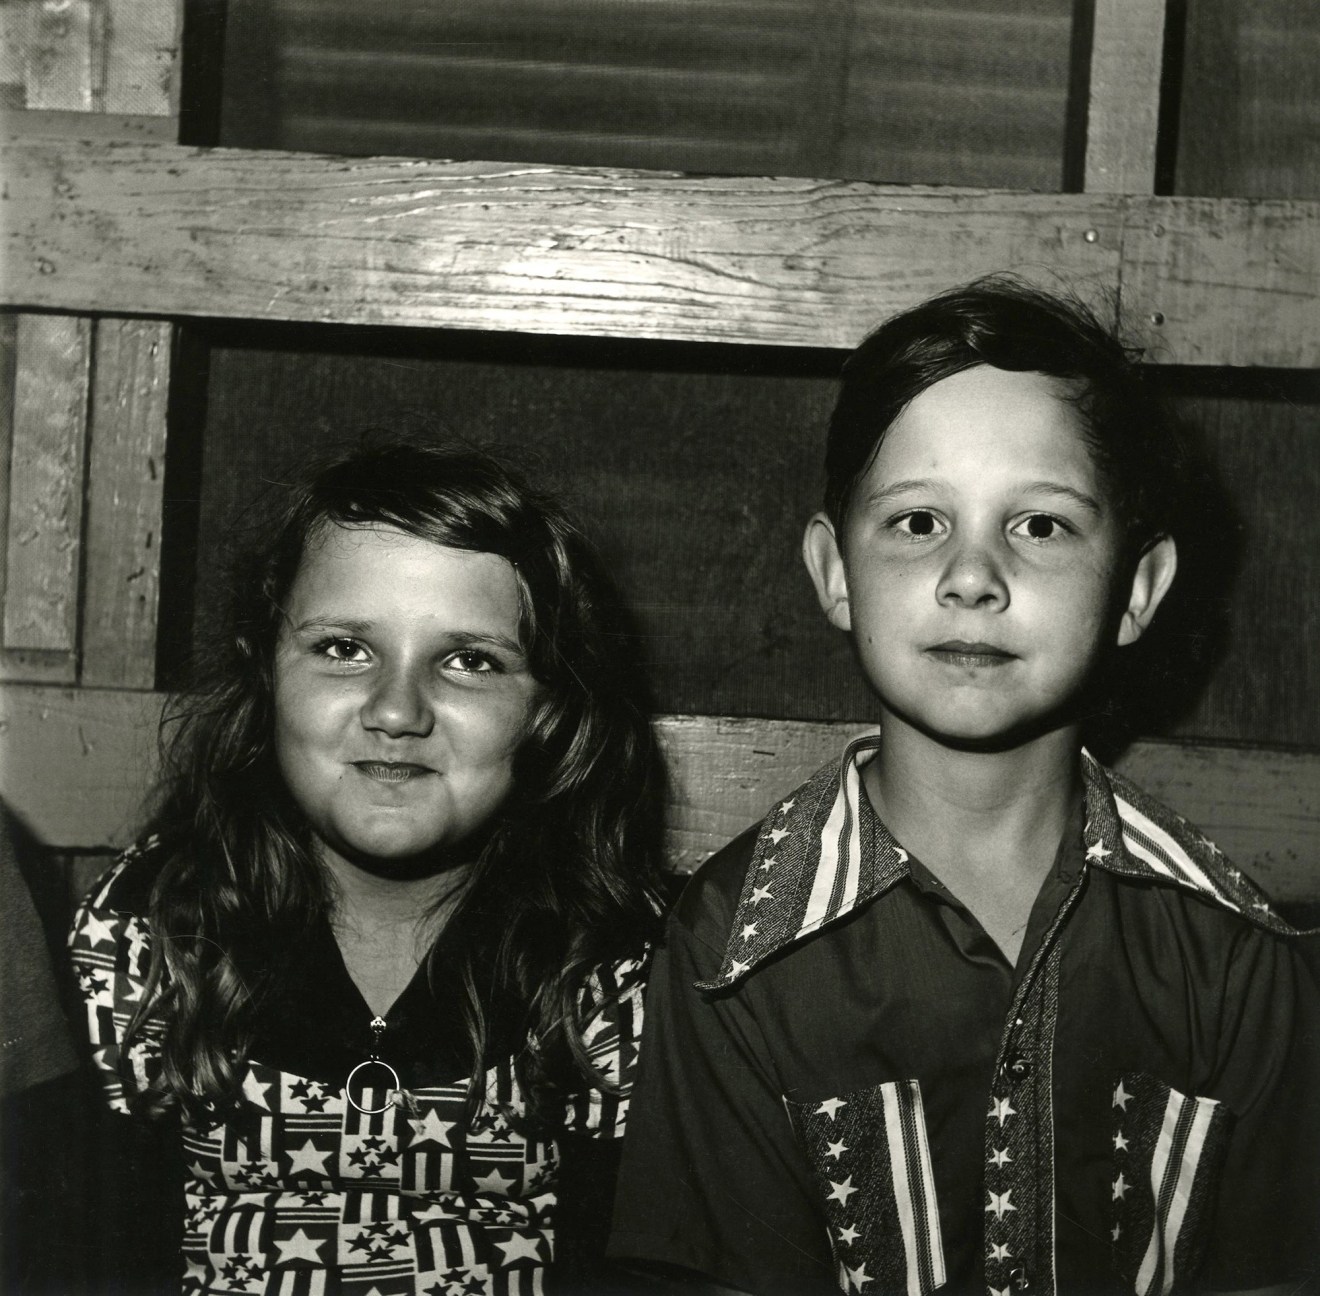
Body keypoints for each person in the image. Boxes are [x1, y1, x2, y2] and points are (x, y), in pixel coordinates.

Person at [609, 280, 1320, 1294]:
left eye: (1040, 525)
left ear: (1140, 590)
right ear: (835, 572)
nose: (972, 576)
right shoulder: (731, 958)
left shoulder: (1240, 963)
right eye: (916, 522)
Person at [69, 442, 666, 1294]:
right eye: (346, 648)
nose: (396, 710)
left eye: (471, 661)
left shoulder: (616, 967)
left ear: (550, 710)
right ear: (264, 669)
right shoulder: (148, 932)